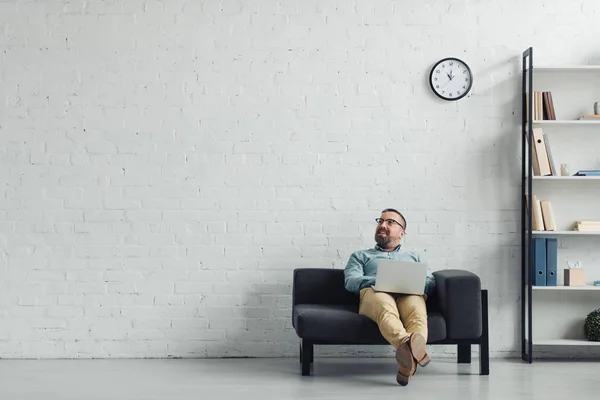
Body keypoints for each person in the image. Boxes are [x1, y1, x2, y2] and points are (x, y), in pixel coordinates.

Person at [343, 208, 436, 386]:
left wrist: (410, 283)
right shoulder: (360, 256)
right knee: (385, 306)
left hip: (409, 293)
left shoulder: (414, 257)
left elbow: (430, 282)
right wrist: (380, 281)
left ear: (402, 232)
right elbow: (351, 281)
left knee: (417, 311)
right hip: (375, 293)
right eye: (380, 221)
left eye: (390, 222)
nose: (382, 225)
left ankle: (407, 362)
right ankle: (412, 348)